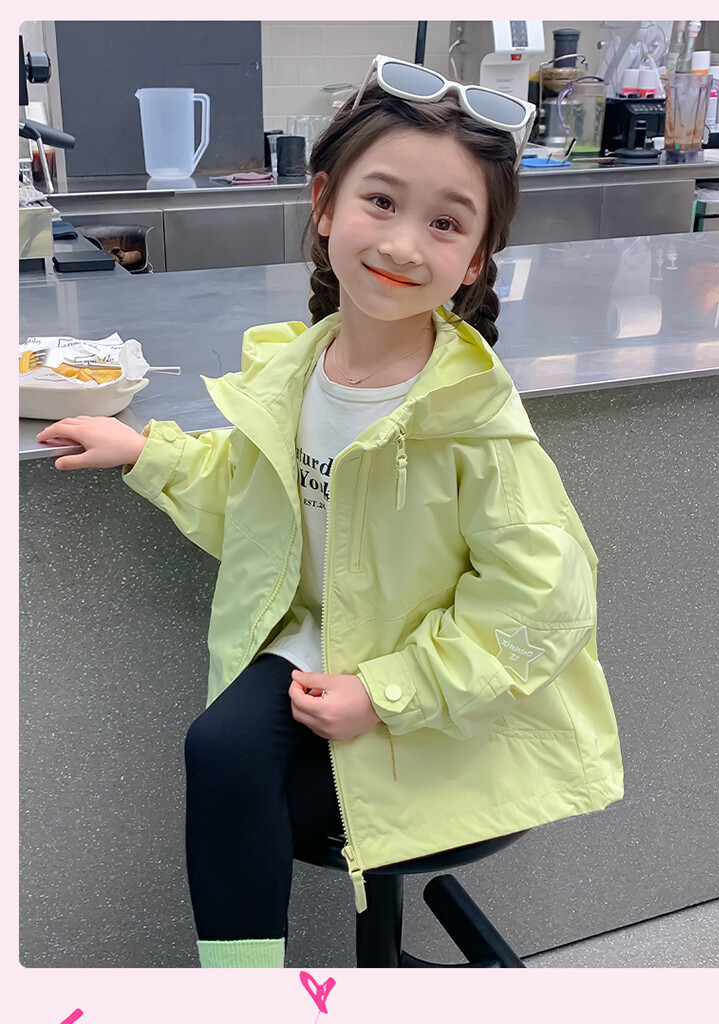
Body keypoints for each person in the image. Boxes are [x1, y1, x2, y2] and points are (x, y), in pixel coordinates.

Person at [37, 55, 624, 970]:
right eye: (380, 202)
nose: (403, 245)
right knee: (219, 749)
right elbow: (252, 496)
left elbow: (544, 603)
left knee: (255, 790)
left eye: (445, 223)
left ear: (475, 260)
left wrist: (387, 693)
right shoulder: (295, 370)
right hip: (313, 650)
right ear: (323, 204)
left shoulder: (472, 423)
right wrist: (148, 453)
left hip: (420, 677)